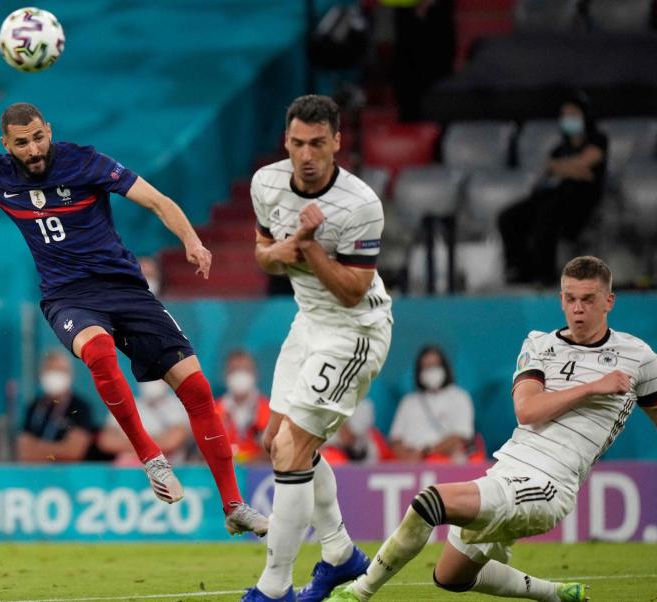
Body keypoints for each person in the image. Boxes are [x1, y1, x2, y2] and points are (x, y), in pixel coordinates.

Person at [0, 102, 267, 536]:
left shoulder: (86, 162)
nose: (34, 149)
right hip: (68, 297)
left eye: (39, 137)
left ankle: (233, 505)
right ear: (6, 144)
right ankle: (151, 457)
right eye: (23, 143)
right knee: (97, 351)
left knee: (196, 388)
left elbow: (155, 199)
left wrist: (190, 240)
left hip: (127, 290)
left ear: (49, 130)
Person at [332, 256, 656, 602]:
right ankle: (557, 594)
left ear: (609, 301)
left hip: (548, 485)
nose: (577, 309)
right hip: (506, 469)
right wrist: (593, 387)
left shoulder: (638, 358)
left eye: (588, 299)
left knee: (430, 501)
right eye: (569, 298)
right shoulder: (540, 344)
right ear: (561, 298)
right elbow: (527, 410)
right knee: (451, 576)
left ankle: (358, 593)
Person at [243, 95, 394, 602]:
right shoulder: (266, 183)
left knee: (292, 451)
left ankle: (275, 588)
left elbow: (353, 290)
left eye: (317, 144)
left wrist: (307, 247)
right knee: (276, 442)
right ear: (286, 141)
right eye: (297, 143)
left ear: (336, 143)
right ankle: (340, 555)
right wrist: (282, 251)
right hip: (308, 322)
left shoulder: (359, 204)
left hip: (355, 330)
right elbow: (263, 255)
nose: (306, 155)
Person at [499, 93, 608, 286]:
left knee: (547, 216)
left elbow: (585, 166)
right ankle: (520, 270)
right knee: (509, 217)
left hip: (581, 199)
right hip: (554, 195)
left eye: (573, 114)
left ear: (584, 116)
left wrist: (560, 167)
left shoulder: (598, 140)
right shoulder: (559, 148)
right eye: (564, 115)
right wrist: (573, 168)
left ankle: (545, 274)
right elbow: (557, 169)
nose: (568, 119)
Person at [389, 345, 474, 462]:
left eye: (435, 365)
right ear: (419, 372)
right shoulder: (409, 401)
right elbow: (396, 439)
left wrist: (425, 453)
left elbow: (460, 437)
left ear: (444, 368)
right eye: (426, 367)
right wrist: (408, 459)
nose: (431, 370)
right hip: (410, 462)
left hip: (445, 462)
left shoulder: (460, 397)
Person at [18, 351, 102, 462]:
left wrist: (37, 449)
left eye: (60, 370)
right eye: (50, 369)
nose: (55, 375)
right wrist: (59, 449)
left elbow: (73, 452)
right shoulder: (34, 406)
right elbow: (24, 451)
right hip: (36, 474)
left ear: (70, 374)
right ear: (41, 374)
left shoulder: (81, 407)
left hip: (69, 475)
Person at [98, 379, 192, 464]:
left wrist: (128, 443)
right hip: (128, 468)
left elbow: (171, 443)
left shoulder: (178, 404)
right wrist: (154, 441)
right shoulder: (125, 404)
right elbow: (106, 441)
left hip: (168, 468)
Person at [215, 350, 271, 463]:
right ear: (225, 374)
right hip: (223, 471)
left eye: (245, 369)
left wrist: (249, 462)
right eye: (235, 370)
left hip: (260, 473)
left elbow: (274, 449)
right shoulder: (213, 410)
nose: (240, 375)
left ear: (255, 374)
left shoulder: (270, 409)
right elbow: (204, 448)